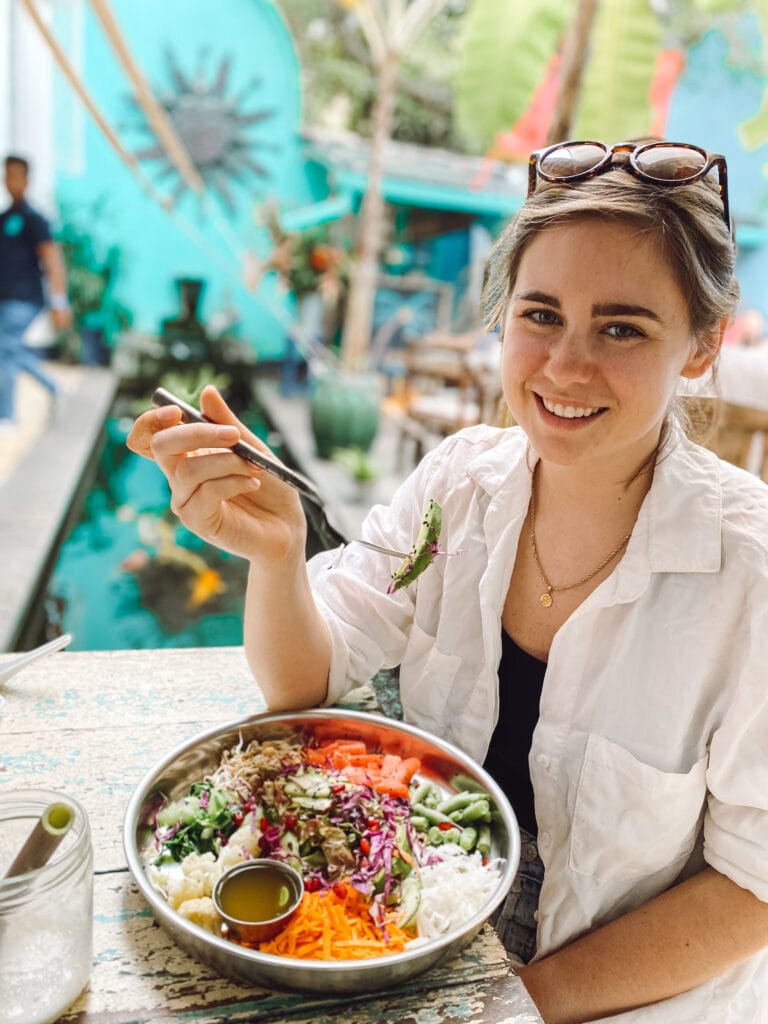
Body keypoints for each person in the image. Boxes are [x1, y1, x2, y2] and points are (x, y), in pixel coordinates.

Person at [126, 139, 768, 1023]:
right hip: (413, 954)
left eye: (622, 327)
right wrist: (276, 557)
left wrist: (505, 1007)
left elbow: (753, 885)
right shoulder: (458, 484)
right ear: (503, 317)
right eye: (540, 315)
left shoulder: (751, 578)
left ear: (700, 348)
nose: (566, 366)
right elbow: (311, 680)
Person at [0, 154, 71, 430]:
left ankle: (6, 415)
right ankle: (52, 386)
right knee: (7, 349)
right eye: (6, 174)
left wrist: (59, 301)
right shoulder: (4, 219)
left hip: (25, 300)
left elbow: (52, 262)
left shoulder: (34, 220)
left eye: (16, 175)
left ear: (26, 180)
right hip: (4, 298)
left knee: (5, 348)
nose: (10, 180)